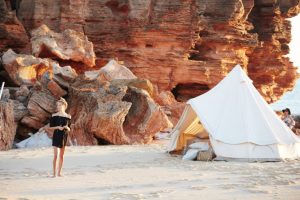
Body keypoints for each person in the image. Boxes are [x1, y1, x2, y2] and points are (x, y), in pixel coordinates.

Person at [43, 97, 71, 177]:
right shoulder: (54, 115)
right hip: (56, 135)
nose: (58, 107)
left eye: (59, 105)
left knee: (62, 156)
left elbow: (69, 129)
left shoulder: (68, 116)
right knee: (56, 155)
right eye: (57, 105)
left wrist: (66, 128)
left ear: (64, 106)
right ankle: (54, 174)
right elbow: (50, 127)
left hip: (64, 136)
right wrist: (58, 127)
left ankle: (59, 173)